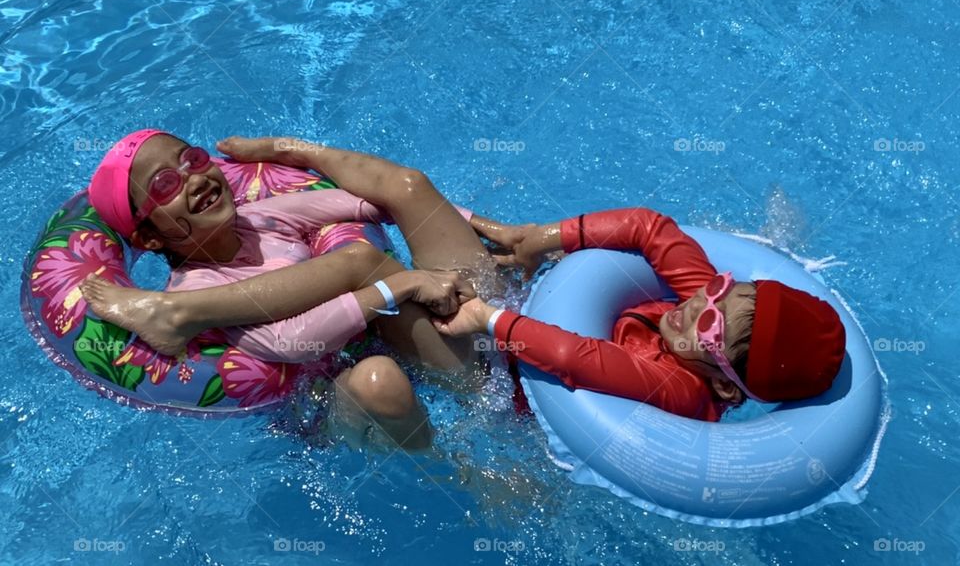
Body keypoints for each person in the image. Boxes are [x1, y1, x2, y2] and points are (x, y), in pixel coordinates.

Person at [79, 131, 503, 447]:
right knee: (379, 378)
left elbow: (383, 202)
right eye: (165, 185)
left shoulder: (261, 219)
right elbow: (291, 342)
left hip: (393, 340)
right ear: (150, 240)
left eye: (192, 159)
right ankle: (467, 461)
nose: (193, 178)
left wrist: (494, 229)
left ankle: (509, 281)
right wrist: (398, 285)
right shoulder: (198, 285)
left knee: (410, 185)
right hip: (331, 397)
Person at [432, 207, 847, 421]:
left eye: (708, 322)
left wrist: (485, 318)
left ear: (723, 385)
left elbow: (574, 358)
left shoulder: (681, 391)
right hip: (535, 317)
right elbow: (649, 227)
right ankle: (506, 235)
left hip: (514, 393)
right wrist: (542, 239)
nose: (699, 302)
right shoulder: (708, 307)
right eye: (722, 286)